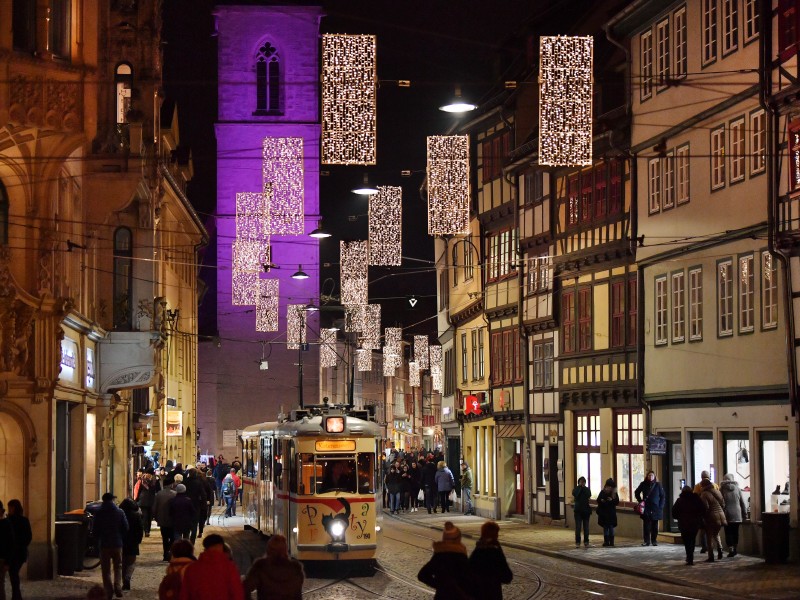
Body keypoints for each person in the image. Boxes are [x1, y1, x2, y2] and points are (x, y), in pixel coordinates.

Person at [418, 521, 474, 599]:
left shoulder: (439, 555)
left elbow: (422, 575)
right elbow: (468, 579)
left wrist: (440, 585)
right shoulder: (460, 556)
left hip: (442, 596)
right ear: (458, 538)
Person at [179, 534, 244, 600]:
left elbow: (185, 594)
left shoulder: (191, 569)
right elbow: (237, 593)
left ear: (205, 548)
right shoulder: (229, 568)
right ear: (221, 546)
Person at [243, 533, 305, 600]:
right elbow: (298, 595)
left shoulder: (260, 566)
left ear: (268, 549)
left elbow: (245, 588)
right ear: (286, 549)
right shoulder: (295, 569)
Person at [92, 492, 129, 599]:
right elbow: (126, 527)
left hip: (104, 544)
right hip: (117, 544)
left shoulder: (98, 513)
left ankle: (109, 591)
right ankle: (118, 587)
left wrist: (97, 541)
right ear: (112, 500)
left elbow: (95, 530)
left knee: (105, 570)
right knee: (118, 567)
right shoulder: (119, 512)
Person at [468, 521, 513, 600]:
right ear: (494, 535)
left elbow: (468, 571)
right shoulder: (495, 552)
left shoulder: (477, 550)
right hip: (493, 593)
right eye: (497, 533)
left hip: (477, 594)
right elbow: (506, 575)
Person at [672, 485, 706, 565]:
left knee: (686, 541)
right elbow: (703, 510)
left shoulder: (680, 500)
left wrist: (679, 518)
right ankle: (691, 556)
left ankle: (689, 556)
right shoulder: (696, 499)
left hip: (683, 524)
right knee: (692, 539)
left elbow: (674, 513)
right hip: (694, 523)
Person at [6, 499, 32, 600]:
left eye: (10, 507)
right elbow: (29, 537)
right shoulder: (24, 520)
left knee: (13, 574)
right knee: (14, 574)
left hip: (14, 552)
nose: (9, 510)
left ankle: (16, 596)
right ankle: (16, 595)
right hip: (20, 552)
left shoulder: (10, 521)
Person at [699, 477, 726, 562]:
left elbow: (705, 507)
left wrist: (703, 517)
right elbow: (723, 504)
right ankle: (720, 549)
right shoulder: (717, 491)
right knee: (716, 534)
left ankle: (711, 556)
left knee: (709, 537)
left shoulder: (704, 494)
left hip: (711, 517)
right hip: (721, 515)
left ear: (703, 486)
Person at [634, 470, 665, 546]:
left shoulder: (658, 485)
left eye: (652, 476)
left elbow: (662, 496)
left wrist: (660, 506)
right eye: (649, 475)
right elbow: (637, 492)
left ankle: (654, 540)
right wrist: (640, 501)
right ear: (647, 476)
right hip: (646, 507)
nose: (650, 477)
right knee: (646, 525)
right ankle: (646, 541)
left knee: (654, 525)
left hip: (655, 508)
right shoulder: (643, 484)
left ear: (654, 477)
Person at [119, 499, 144, 591]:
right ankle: (128, 577)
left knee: (124, 562)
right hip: (133, 541)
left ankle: (124, 581)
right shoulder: (136, 515)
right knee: (132, 562)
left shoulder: (120, 515)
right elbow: (140, 529)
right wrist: (139, 540)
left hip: (122, 541)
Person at [720, 473, 747, 557]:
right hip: (737, 514)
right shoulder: (738, 489)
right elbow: (742, 502)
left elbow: (721, 502)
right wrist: (745, 514)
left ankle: (731, 548)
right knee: (735, 532)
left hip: (727, 513)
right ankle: (735, 548)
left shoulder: (722, 489)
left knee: (728, 532)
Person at [693, 471, 719, 552]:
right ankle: (719, 547)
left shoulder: (698, 486)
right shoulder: (715, 485)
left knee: (703, 531)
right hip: (715, 511)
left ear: (701, 477)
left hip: (703, 512)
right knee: (715, 533)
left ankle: (705, 547)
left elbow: (695, 498)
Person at [153, 479, 178, 561]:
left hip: (162, 519)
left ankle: (165, 553)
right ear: (171, 484)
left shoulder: (159, 494)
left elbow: (154, 507)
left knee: (164, 538)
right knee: (172, 537)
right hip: (172, 519)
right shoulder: (174, 494)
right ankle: (170, 553)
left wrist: (155, 517)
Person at [183, 467, 207, 543]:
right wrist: (203, 504)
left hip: (186, 505)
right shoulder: (198, 483)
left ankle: (186, 538)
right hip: (196, 505)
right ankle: (192, 541)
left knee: (186, 523)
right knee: (194, 524)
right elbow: (203, 495)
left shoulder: (185, 482)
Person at [595, 478, 619, 547]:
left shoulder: (614, 493)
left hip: (611, 513)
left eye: (610, 487)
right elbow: (598, 500)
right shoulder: (602, 492)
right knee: (605, 528)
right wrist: (601, 500)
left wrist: (611, 500)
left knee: (611, 528)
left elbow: (617, 502)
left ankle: (612, 542)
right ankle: (606, 541)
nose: (608, 488)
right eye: (607, 486)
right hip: (604, 513)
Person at [571, 476, 592, 548]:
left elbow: (588, 495)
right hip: (578, 511)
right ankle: (577, 542)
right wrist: (580, 488)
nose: (582, 483)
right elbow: (575, 494)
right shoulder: (576, 489)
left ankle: (586, 541)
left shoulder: (587, 489)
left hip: (586, 511)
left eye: (583, 482)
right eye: (581, 482)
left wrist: (583, 488)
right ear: (578, 482)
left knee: (586, 527)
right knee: (578, 527)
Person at [135, 471, 157, 537]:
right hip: (151, 501)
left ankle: (146, 530)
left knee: (144, 516)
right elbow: (155, 491)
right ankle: (148, 530)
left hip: (143, 501)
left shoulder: (142, 481)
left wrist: (137, 499)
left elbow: (139, 491)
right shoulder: (153, 481)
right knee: (149, 517)